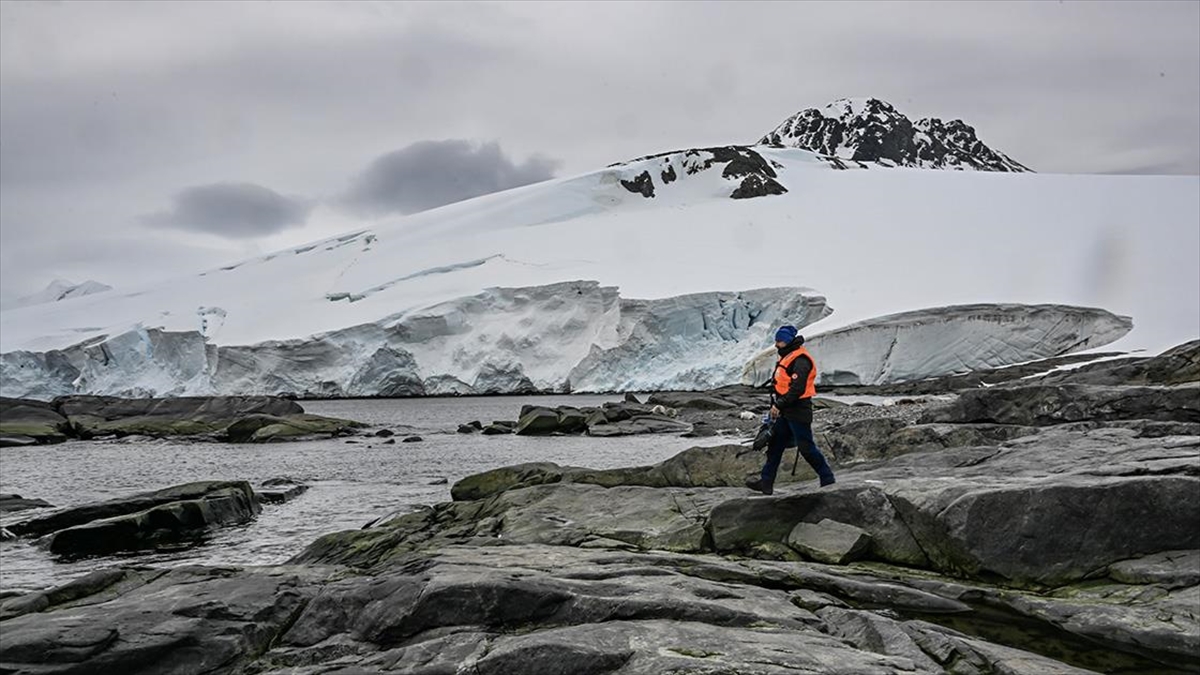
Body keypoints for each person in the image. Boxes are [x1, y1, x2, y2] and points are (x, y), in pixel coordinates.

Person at [746, 325, 836, 495]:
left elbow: (797, 389)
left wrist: (779, 405)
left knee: (806, 447)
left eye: (779, 341)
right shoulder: (788, 356)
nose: (776, 345)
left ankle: (827, 478)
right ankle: (766, 482)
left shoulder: (801, 360)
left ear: (787, 341)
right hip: (785, 410)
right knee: (775, 445)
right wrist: (778, 406)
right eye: (776, 341)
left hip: (798, 410)